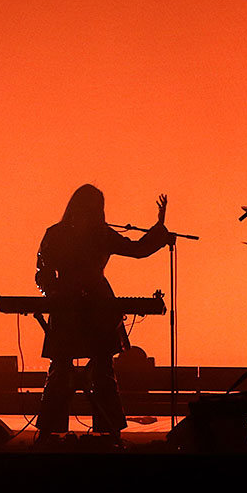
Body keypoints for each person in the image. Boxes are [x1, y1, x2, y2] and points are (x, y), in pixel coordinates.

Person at [34, 185, 169, 445]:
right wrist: (159, 230)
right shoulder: (91, 234)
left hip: (81, 304)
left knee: (76, 369)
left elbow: (42, 272)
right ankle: (102, 430)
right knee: (90, 369)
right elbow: (138, 249)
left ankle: (61, 430)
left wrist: (54, 293)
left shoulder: (63, 233)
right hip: (90, 302)